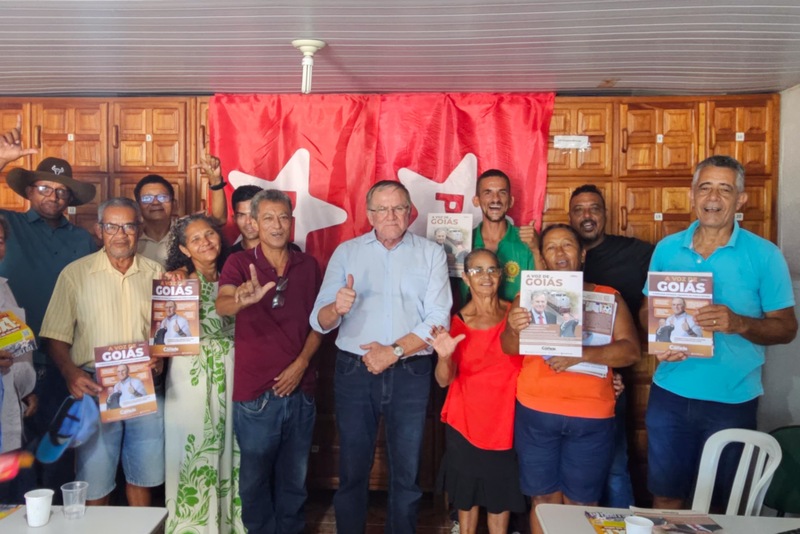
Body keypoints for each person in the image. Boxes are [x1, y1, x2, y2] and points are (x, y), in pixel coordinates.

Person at [641, 155, 797, 510]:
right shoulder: (667, 248)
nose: (713, 197)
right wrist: (657, 337)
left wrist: (740, 323)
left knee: (722, 504)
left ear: (741, 199)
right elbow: (647, 308)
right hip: (670, 394)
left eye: (725, 189)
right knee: (665, 495)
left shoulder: (765, 255)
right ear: (692, 194)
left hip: (732, 400)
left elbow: (787, 328)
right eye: (705, 187)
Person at [310, 180, 451, 534]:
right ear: (369, 214)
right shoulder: (347, 253)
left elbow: (438, 319)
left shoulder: (431, 253)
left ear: (410, 212)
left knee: (407, 473)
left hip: (411, 370)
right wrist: (335, 308)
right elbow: (318, 320)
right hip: (354, 372)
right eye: (382, 209)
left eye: (398, 208)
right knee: (353, 469)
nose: (391, 216)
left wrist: (394, 351)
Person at [501, 223, 640, 534]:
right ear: (543, 257)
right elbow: (508, 347)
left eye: (567, 245)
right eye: (551, 247)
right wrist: (512, 326)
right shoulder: (529, 296)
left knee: (582, 503)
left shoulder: (607, 297)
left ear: (582, 254)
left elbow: (631, 351)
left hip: (591, 416)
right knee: (543, 500)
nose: (559, 252)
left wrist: (581, 355)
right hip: (536, 411)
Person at [39, 197, 165, 507]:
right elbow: (55, 336)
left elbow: (167, 332)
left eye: (129, 226)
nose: (120, 234)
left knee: (143, 477)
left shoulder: (156, 272)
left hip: (143, 386)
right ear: (99, 230)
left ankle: (141, 528)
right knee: (95, 482)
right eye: (112, 227)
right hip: (94, 387)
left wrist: (161, 357)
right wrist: (70, 373)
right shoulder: (75, 274)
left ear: (139, 230)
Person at [0, 118, 97, 500]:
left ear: (70, 199)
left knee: (57, 452)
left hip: (63, 362)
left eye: (61, 191)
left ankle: (55, 518)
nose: (53, 196)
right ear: (29, 191)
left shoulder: (84, 240)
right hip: (11, 363)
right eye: (45, 188)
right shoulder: (8, 225)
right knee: (14, 456)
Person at [217, 189, 322, 534]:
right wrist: (241, 301)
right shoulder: (239, 263)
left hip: (301, 389)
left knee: (295, 479)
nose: (277, 225)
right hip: (256, 394)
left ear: (292, 222)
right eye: (268, 218)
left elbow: (321, 324)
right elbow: (222, 304)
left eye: (283, 218)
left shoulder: (309, 266)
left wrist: (301, 363)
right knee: (255, 479)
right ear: (254, 223)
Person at [568, 183, 654, 508]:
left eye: (594, 208)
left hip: (612, 376)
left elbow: (670, 269)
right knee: (572, 470)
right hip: (563, 380)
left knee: (616, 465)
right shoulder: (558, 256)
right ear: (570, 217)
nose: (587, 216)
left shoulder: (634, 252)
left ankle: (622, 526)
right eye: (579, 210)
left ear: (606, 214)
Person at [428, 248, 526, 534]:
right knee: (466, 497)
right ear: (466, 278)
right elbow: (443, 381)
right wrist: (445, 357)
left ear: (501, 275)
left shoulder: (516, 316)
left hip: (506, 421)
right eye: (477, 270)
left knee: (500, 496)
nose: (486, 276)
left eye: (492, 269)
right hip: (466, 422)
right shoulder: (456, 322)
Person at [164, 213, 243, 534]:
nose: (205, 242)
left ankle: (229, 523)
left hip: (233, 368)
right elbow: (165, 334)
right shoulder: (177, 282)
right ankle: (193, 526)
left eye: (209, 234)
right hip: (189, 372)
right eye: (195, 239)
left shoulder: (234, 276)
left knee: (232, 444)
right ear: (184, 249)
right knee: (192, 444)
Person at [459, 169, 539, 304]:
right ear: (476, 200)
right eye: (488, 193)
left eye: (502, 193)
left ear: (511, 201)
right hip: (469, 317)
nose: (495, 199)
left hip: (516, 317)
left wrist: (536, 250)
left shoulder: (526, 241)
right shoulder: (463, 242)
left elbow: (539, 291)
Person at [0, 214, 36, 502]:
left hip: (10, 404)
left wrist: (25, 390)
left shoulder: (3, 286)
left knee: (11, 498)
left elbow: (14, 343)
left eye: (0, 241)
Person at [134, 156, 227, 266]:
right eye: (147, 198)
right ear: (138, 205)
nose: (155, 202)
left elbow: (219, 220)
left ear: (174, 204)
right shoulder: (130, 235)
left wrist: (216, 182)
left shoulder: (186, 229)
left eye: (163, 197)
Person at [230, 185, 263, 254]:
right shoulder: (227, 256)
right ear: (234, 218)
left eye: (253, 214)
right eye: (241, 215)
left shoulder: (284, 252)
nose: (248, 221)